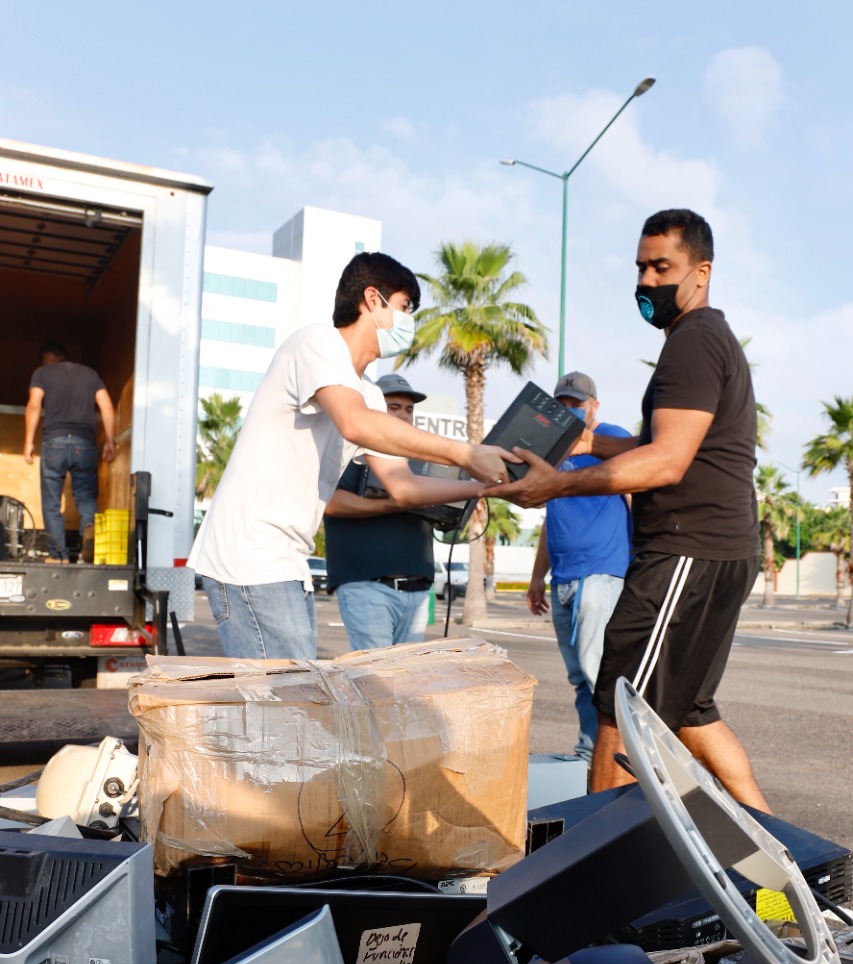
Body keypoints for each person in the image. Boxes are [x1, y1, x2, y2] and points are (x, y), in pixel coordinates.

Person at [485, 209, 768, 811]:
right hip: (718, 552)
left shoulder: (692, 342)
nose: (646, 281)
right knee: (690, 713)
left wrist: (556, 487)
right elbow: (664, 442)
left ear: (701, 272)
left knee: (620, 707)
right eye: (641, 267)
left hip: (685, 551)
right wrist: (589, 443)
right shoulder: (706, 338)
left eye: (662, 267)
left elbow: (666, 462)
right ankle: (786, 852)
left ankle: (599, 860)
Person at [188, 251, 511, 661]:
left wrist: (485, 487)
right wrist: (466, 453)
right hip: (251, 554)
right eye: (405, 307)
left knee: (290, 693)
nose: (409, 321)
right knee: (287, 695)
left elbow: (404, 487)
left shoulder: (368, 394)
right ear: (372, 299)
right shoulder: (317, 343)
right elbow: (354, 423)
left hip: (285, 560)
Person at [527, 372, 631, 764]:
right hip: (563, 579)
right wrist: (537, 577)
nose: (569, 411)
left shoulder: (611, 438)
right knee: (580, 679)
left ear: (594, 406)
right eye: (562, 405)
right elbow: (551, 518)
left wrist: (641, 559)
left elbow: (636, 492)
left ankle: (623, 759)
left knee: (598, 673)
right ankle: (591, 755)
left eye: (577, 404)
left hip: (600, 573)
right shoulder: (554, 450)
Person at [324, 372, 456, 650]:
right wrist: (390, 504)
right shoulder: (353, 451)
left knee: (405, 675)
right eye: (394, 407)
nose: (404, 415)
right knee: (377, 673)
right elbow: (330, 502)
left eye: (409, 409)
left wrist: (450, 510)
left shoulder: (421, 462)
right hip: (367, 585)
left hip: (417, 590)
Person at [24, 341, 117, 563]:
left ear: (48, 357)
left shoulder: (42, 373)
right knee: (86, 495)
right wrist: (110, 441)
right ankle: (88, 525)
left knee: (51, 503)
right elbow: (106, 405)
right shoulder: (90, 374)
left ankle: (59, 556)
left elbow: (34, 404)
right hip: (84, 443)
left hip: (54, 441)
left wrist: (28, 441)